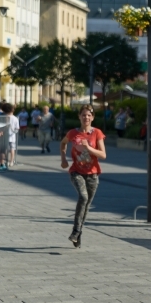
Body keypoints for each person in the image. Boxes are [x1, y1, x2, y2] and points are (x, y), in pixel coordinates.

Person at [60, 105, 106, 248]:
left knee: (86, 206)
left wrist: (89, 148)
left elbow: (103, 155)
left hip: (92, 174)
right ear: (79, 117)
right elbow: (63, 143)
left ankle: (78, 233)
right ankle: (75, 231)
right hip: (76, 172)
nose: (86, 118)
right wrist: (63, 158)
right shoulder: (73, 133)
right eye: (83, 115)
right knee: (83, 197)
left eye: (89, 115)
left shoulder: (97, 133)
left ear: (92, 117)